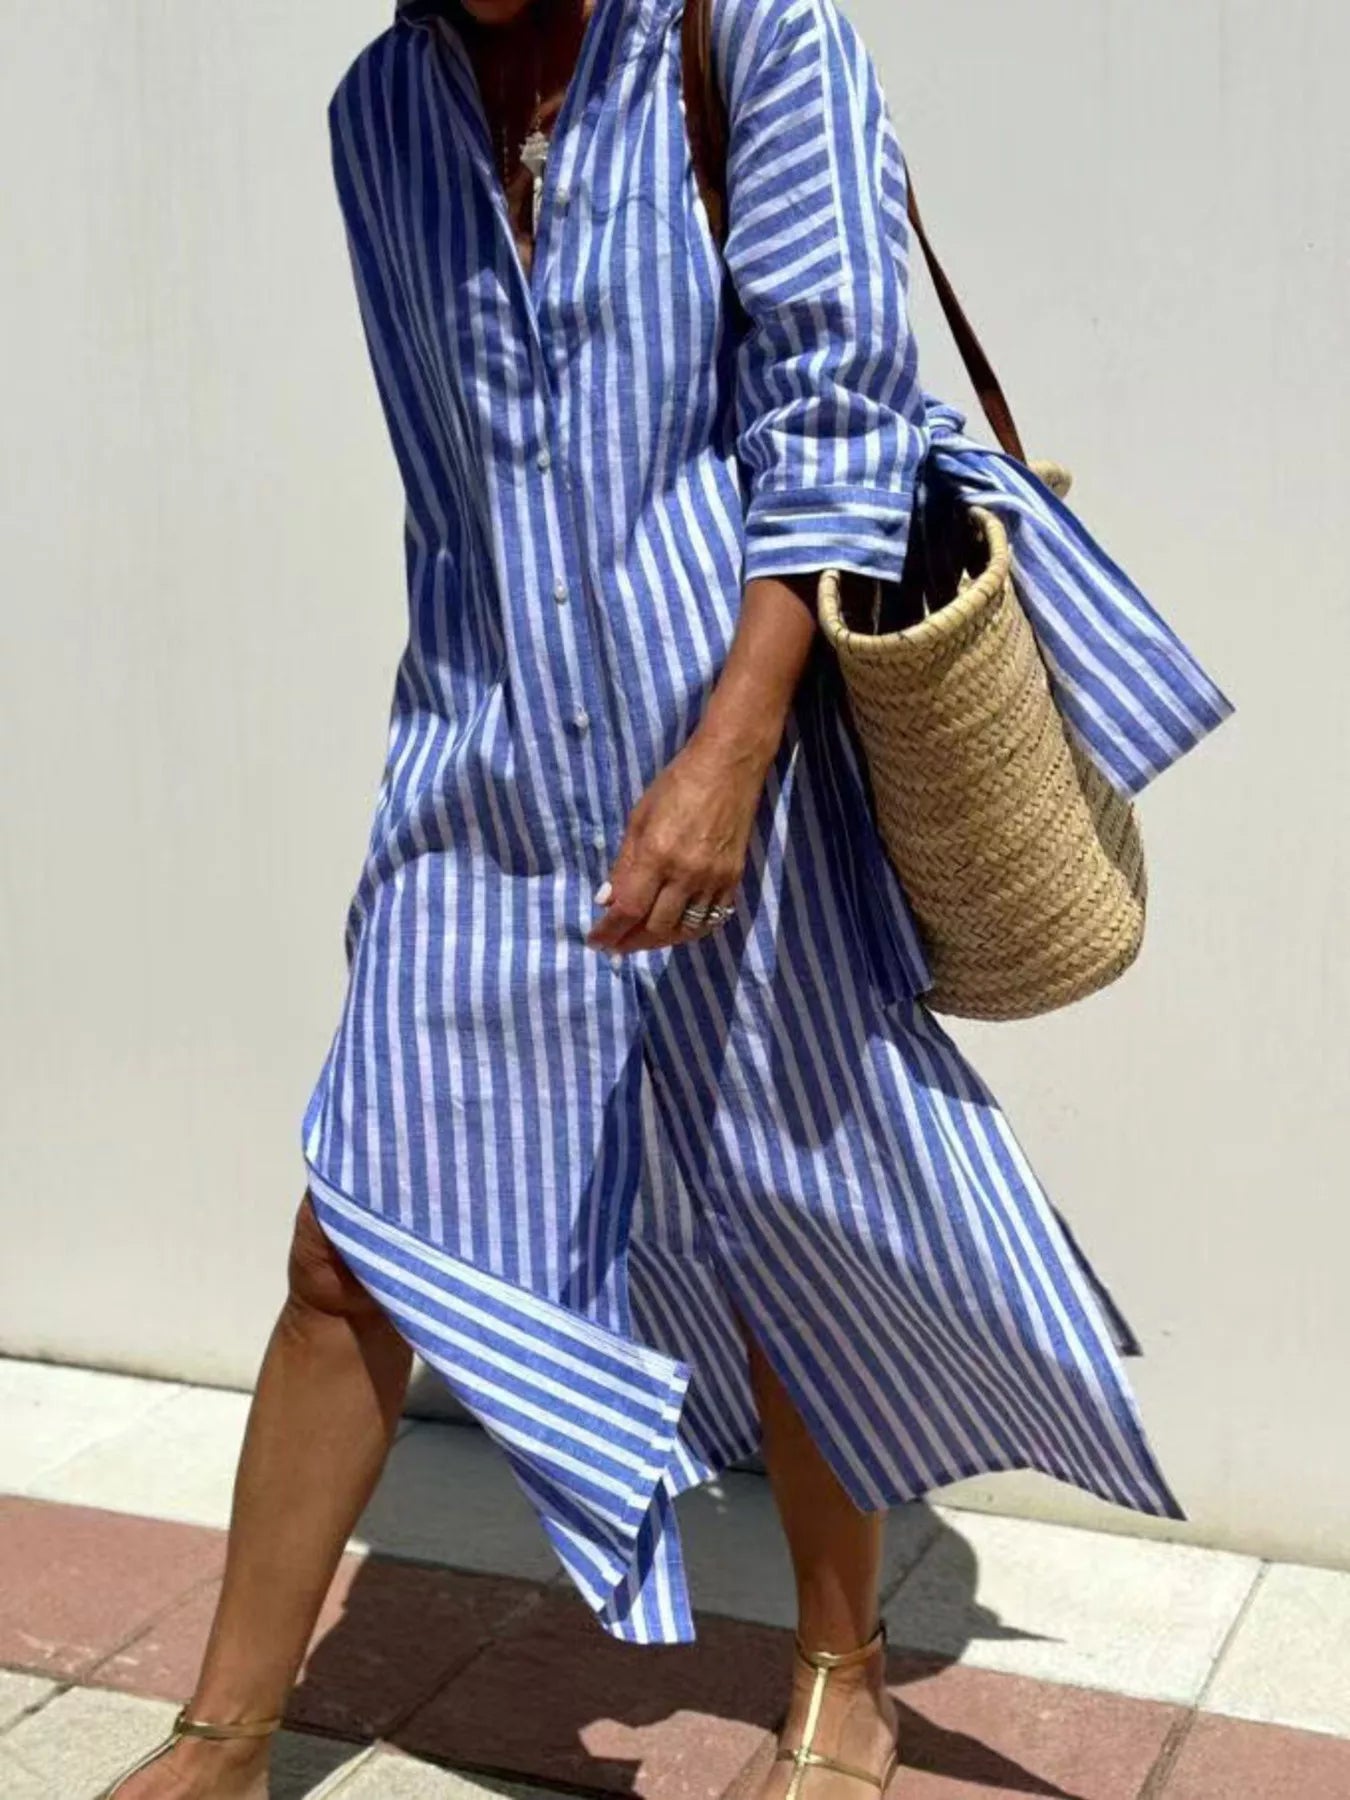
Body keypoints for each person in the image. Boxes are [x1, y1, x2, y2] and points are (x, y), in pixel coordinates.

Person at [102, 0, 1231, 1794]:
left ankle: (841, 1667)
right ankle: (222, 1737)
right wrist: (444, 759)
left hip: (744, 747)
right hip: (487, 773)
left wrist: (730, 750)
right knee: (351, 1242)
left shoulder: (754, 37)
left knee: (786, 1217)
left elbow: (839, 416)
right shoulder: (378, 113)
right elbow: (450, 489)